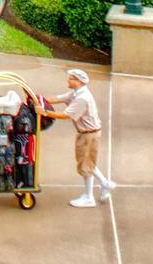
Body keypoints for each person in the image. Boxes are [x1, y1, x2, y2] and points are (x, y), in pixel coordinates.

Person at [42, 67, 113, 208]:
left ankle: (88, 197)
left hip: (88, 135)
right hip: (86, 133)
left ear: (79, 82)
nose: (68, 80)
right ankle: (105, 184)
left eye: (71, 78)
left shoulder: (82, 98)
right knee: (88, 162)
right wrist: (38, 100)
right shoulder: (76, 93)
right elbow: (58, 98)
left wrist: (44, 112)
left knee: (85, 165)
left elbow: (66, 115)